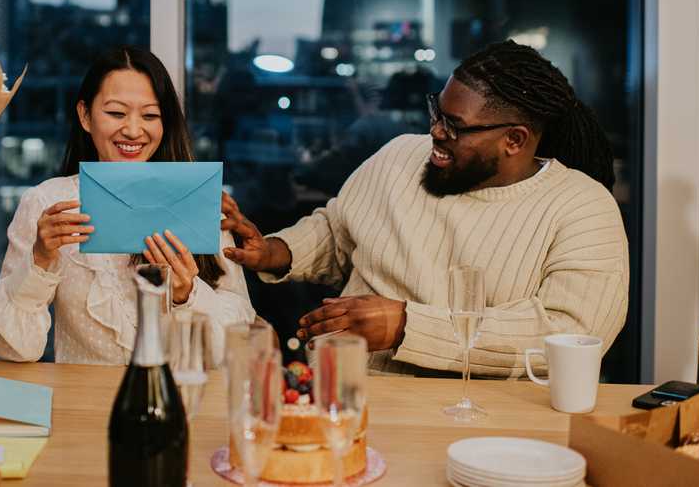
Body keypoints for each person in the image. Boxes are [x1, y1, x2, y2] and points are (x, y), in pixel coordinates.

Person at [223, 41, 629, 376]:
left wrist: (405, 326)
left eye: (455, 125)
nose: (435, 130)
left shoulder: (583, 208)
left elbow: (569, 333)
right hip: (346, 393)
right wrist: (277, 251)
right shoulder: (399, 155)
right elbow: (337, 231)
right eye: (437, 111)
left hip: (487, 419)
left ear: (515, 140)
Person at [0, 46, 255, 364]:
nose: (134, 130)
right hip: (85, 407)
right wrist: (39, 262)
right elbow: (10, 348)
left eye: (150, 116)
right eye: (116, 113)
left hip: (185, 403)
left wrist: (186, 293)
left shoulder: (194, 198)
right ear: (85, 115)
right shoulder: (49, 203)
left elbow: (242, 339)